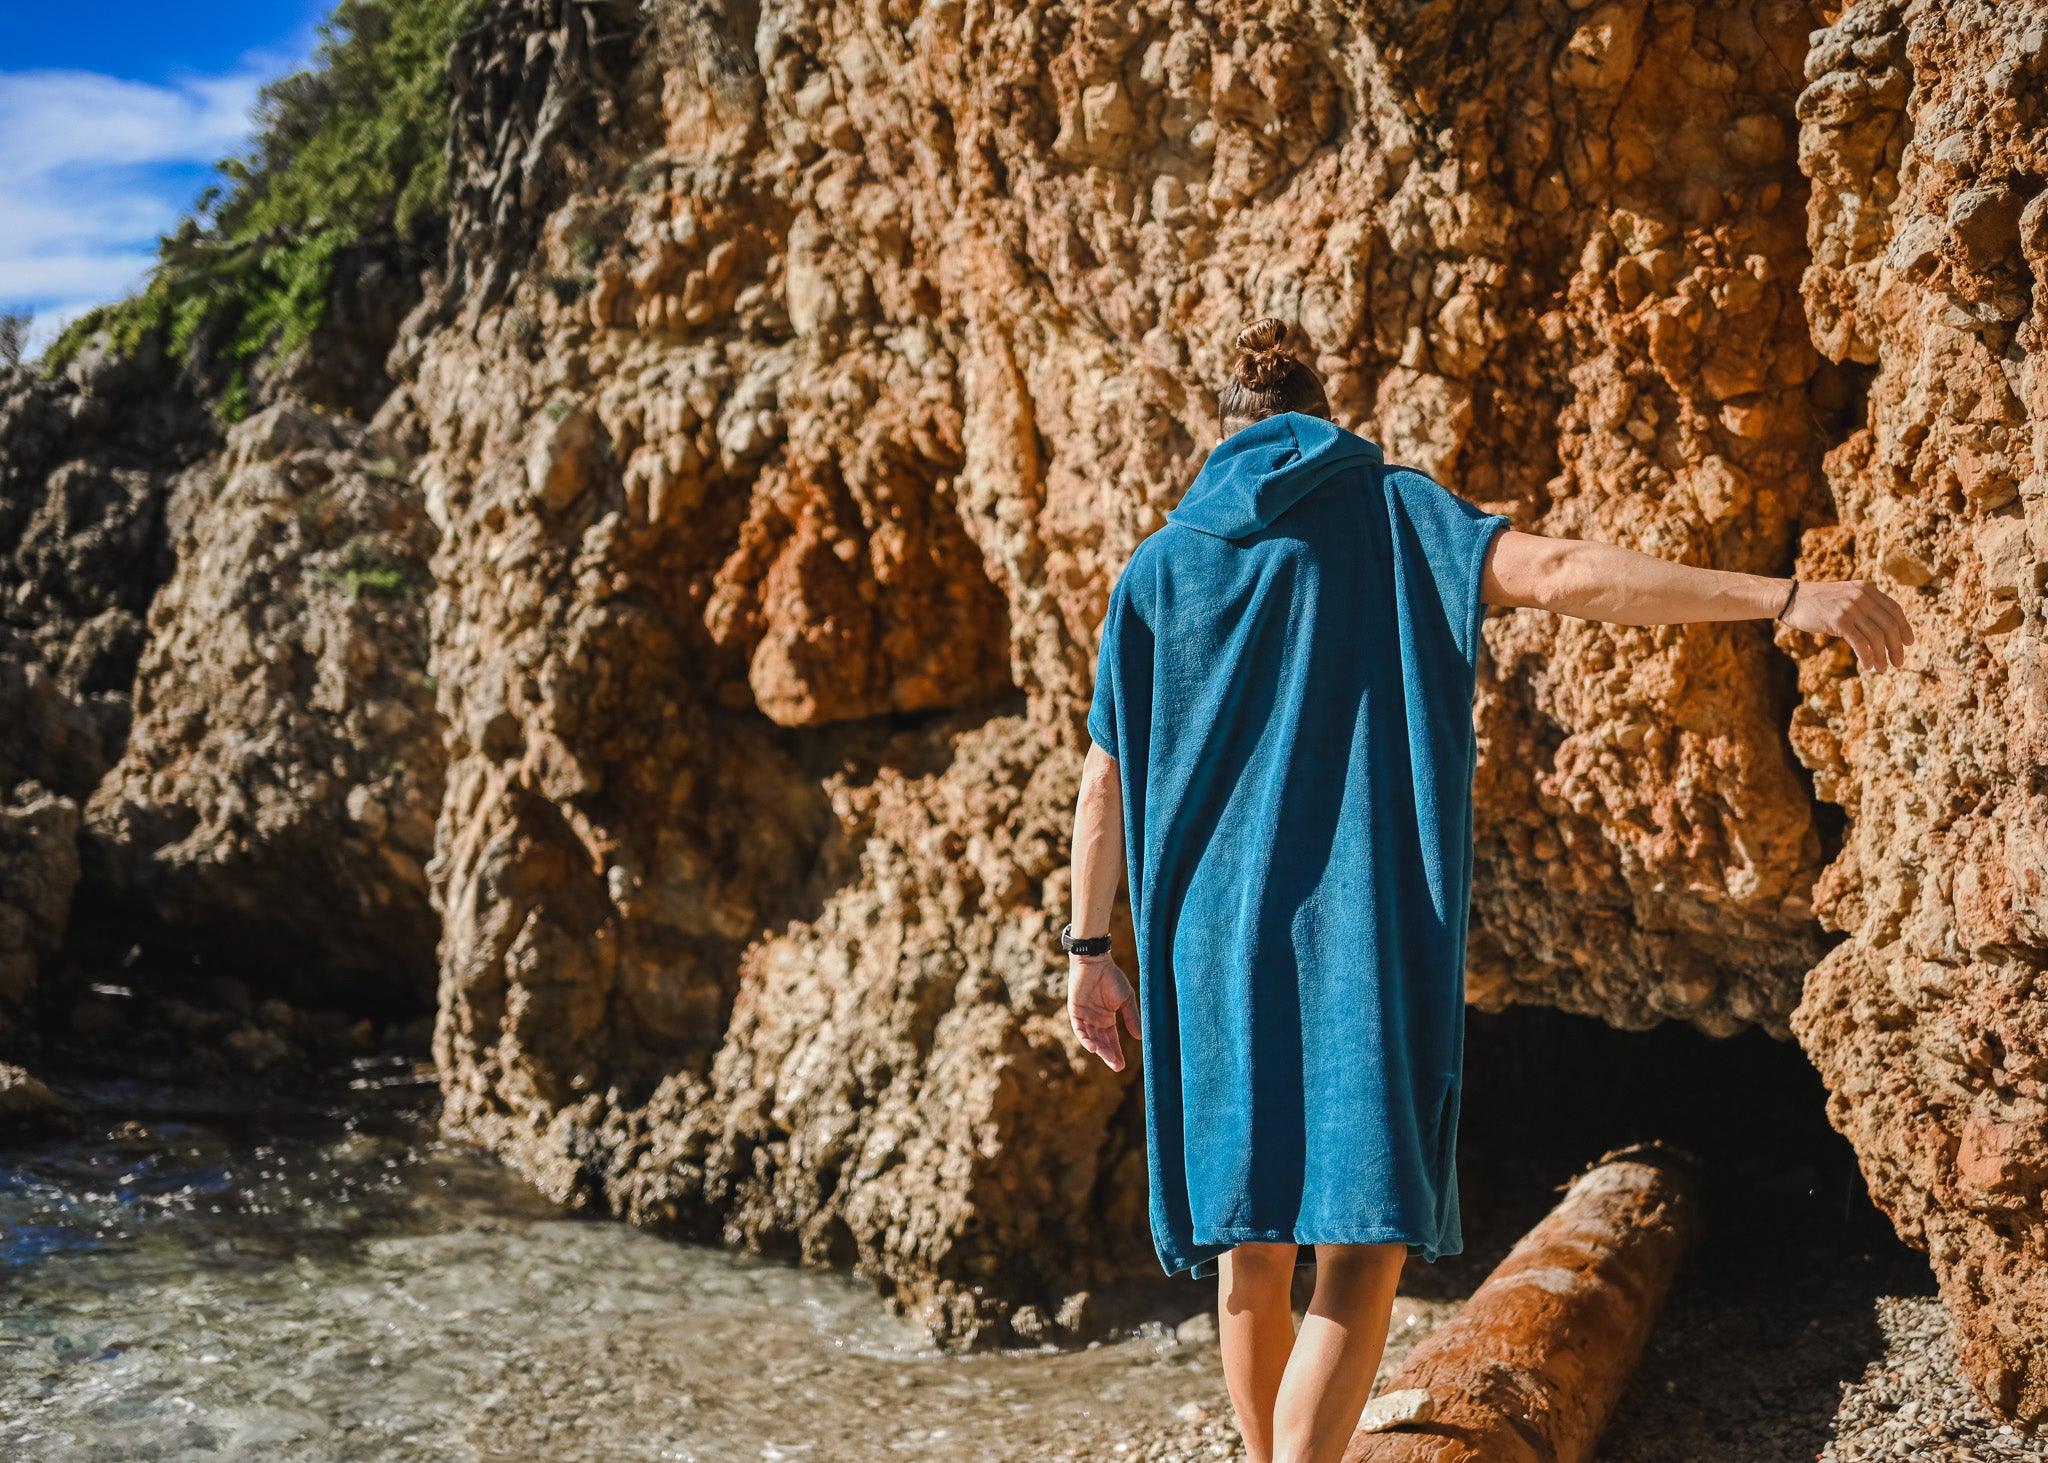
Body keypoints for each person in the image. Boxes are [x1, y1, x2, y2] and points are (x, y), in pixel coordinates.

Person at [1061, 318, 1912, 1463]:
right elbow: (1559, 573)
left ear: (1222, 437)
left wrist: (1089, 954)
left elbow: (1103, 778)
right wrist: (1779, 595)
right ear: (1322, 419)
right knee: (1361, 1241)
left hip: (1201, 946)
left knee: (1248, 1247)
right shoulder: (1386, 508)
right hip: (1351, 933)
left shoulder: (1157, 569)